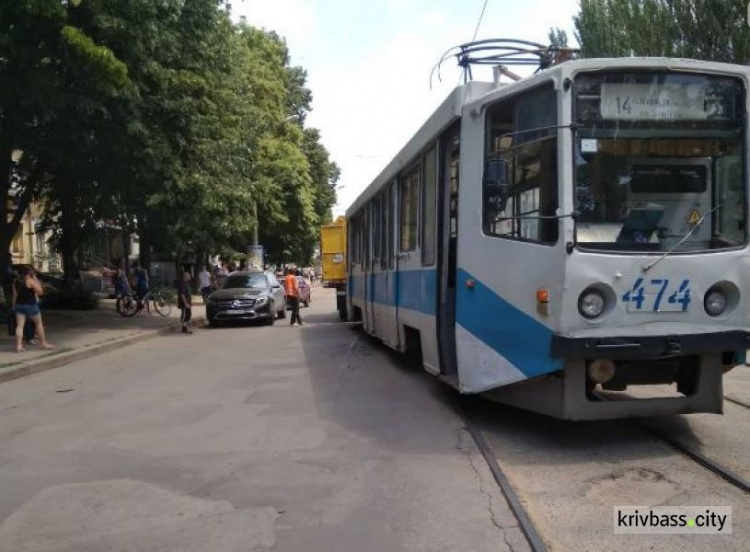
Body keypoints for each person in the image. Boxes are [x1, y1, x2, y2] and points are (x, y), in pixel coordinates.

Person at [12, 265, 53, 352]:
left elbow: (15, 295)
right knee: (39, 324)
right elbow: (40, 291)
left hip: (19, 306)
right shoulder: (30, 281)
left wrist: (14, 306)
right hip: (31, 305)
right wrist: (36, 279)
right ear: (30, 272)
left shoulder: (16, 281)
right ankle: (43, 343)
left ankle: (18, 346)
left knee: (20, 326)